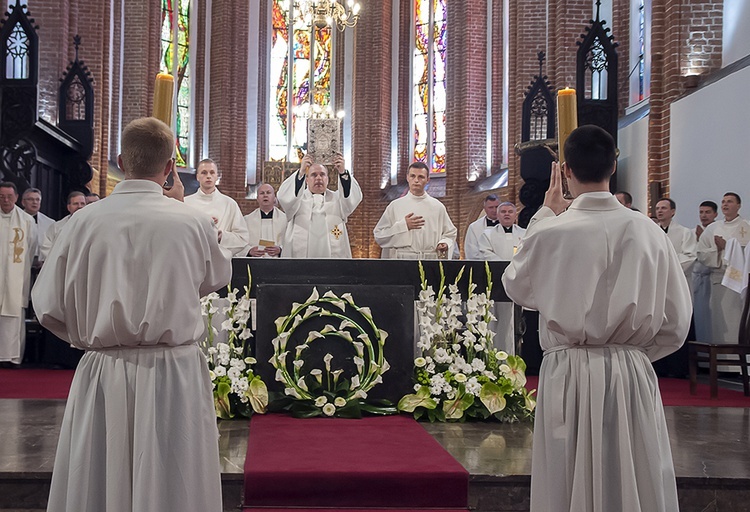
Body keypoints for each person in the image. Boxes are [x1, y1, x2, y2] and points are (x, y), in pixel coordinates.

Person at [32, 117, 231, 512]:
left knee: (101, 481)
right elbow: (216, 278)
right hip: (175, 373)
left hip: (104, 370)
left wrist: (91, 337)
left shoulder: (82, 222)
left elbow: (47, 305)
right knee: (176, 482)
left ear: (121, 161)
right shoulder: (191, 221)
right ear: (171, 166)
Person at [501, 125, 691, 512]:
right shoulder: (651, 233)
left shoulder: (552, 232)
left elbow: (516, 286)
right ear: (614, 165)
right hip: (631, 370)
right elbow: (676, 321)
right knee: (635, 474)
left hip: (568, 369)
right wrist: (631, 354)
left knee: (567, 478)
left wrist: (545, 215)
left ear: (565, 170)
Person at [277, 152, 362, 258]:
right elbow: (283, 197)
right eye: (313, 175)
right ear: (306, 180)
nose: (318, 178)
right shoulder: (298, 199)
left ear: (328, 179)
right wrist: (301, 171)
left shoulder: (337, 199)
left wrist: (343, 173)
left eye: (322, 174)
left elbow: (352, 200)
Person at [696, 192, 750, 344]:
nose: (725, 204)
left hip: (740, 282)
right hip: (718, 281)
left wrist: (727, 247)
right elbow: (700, 252)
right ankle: (720, 364)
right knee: (720, 323)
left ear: (738, 206)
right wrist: (717, 251)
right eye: (724, 202)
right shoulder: (713, 228)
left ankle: (738, 365)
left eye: (730, 202)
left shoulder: (746, 226)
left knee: (738, 321)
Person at [374, 162, 457, 259]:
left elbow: (450, 234)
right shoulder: (395, 206)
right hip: (403, 260)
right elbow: (379, 235)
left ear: (427, 180)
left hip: (429, 259)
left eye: (421, 177)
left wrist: (444, 243)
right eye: (412, 176)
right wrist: (404, 226)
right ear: (407, 178)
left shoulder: (437, 207)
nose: (416, 180)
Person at [0, 182, 37, 366]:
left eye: (9, 196)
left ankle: (11, 358)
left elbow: (31, 250)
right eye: (2, 196)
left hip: (15, 277)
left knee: (13, 316)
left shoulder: (26, 221)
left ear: (16, 198)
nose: (5, 200)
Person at [185, 158, 250, 256]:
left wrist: (221, 236)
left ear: (217, 176)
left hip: (219, 260)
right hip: (192, 257)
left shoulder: (229, 204)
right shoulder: (186, 203)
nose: (208, 176)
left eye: (212, 173)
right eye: (204, 173)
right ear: (197, 177)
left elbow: (242, 237)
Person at [692, 200, 718, 341]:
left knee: (711, 317)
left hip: (710, 279)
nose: (704, 215)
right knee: (698, 317)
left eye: (708, 212)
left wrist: (702, 238)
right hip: (696, 280)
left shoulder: (717, 230)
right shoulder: (692, 232)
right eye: (701, 212)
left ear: (715, 214)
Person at [654, 197, 697, 274]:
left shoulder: (684, 232)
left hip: (676, 274)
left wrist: (668, 263)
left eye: (663, 208)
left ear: (673, 211)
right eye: (657, 209)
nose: (659, 211)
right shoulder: (652, 231)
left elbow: (690, 256)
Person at [40, 191, 87, 260]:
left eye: (82, 204)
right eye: (75, 204)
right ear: (68, 207)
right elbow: (46, 247)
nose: (79, 206)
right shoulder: (57, 227)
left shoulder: (93, 225)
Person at [245, 183, 286, 257]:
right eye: (262, 193)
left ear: (274, 197)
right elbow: (240, 242)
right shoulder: (247, 220)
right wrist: (249, 250)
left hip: (278, 263)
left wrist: (280, 249)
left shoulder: (285, 220)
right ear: (257, 198)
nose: (265, 195)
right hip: (255, 262)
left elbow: (292, 242)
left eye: (268, 192)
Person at [21, 187, 55, 263]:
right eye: (30, 199)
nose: (34, 202)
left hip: (42, 264)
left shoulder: (50, 223)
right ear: (23, 202)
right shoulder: (17, 220)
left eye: (37, 199)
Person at [464, 194, 500, 260]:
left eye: (496, 207)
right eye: (491, 207)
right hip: (481, 265)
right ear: (485, 209)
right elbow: (471, 251)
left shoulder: (507, 225)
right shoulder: (474, 227)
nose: (494, 210)